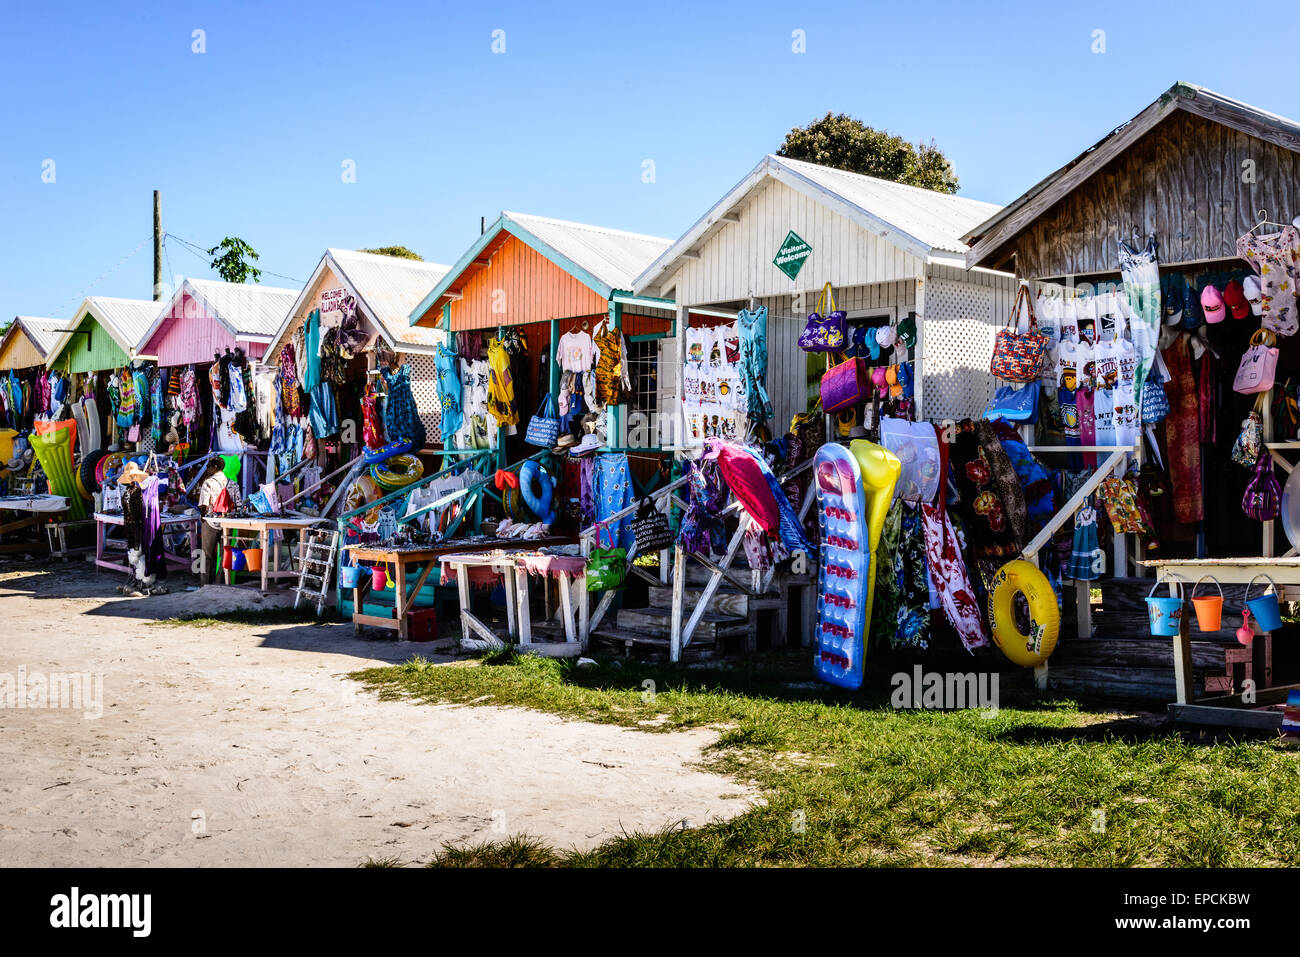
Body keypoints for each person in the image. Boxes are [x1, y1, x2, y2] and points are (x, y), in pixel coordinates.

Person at [196, 459, 240, 584]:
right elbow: (239, 505)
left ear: (215, 467)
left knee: (206, 555)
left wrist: (202, 517)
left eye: (208, 467)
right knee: (225, 555)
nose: (207, 470)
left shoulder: (208, 482)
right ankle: (221, 582)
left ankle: (205, 584)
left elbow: (203, 505)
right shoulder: (233, 484)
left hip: (211, 521)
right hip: (228, 522)